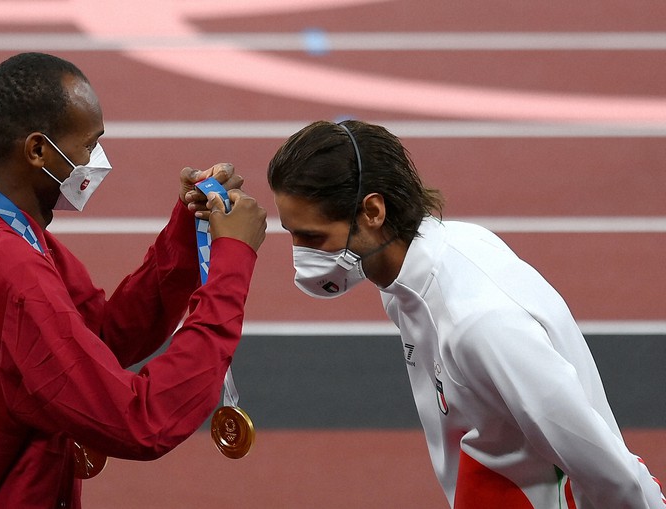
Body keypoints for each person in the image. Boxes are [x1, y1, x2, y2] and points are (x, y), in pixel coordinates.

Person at [0, 52, 267, 508]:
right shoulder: (13, 270)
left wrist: (185, 230)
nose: (97, 160)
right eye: (89, 144)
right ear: (38, 150)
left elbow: (101, 336)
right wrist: (231, 263)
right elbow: (143, 420)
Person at [267, 119, 664, 508]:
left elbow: (601, 463)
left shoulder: (480, 323)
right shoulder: (406, 277)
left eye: (313, 237)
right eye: (293, 233)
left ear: (372, 211)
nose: (301, 255)